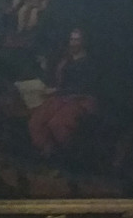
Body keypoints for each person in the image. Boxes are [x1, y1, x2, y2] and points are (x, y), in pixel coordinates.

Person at [27, 28, 99, 156]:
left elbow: (83, 87)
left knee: (58, 124)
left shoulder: (89, 63)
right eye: (72, 39)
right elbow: (56, 76)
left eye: (77, 40)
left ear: (84, 42)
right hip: (60, 96)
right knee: (37, 121)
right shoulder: (66, 58)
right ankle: (46, 148)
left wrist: (57, 91)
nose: (73, 43)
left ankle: (67, 154)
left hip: (78, 99)